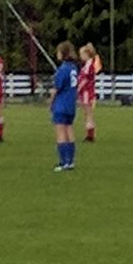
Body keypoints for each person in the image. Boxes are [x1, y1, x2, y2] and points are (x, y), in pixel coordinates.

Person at [49, 42, 80, 172]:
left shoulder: (63, 69)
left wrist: (51, 102)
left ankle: (63, 162)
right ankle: (71, 161)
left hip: (61, 104)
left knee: (61, 133)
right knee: (70, 131)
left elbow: (56, 89)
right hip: (71, 104)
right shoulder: (74, 68)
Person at [77, 44, 102, 142]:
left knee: (88, 113)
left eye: (81, 54)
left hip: (87, 91)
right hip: (87, 91)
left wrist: (78, 88)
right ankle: (90, 134)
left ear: (86, 54)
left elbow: (86, 79)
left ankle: (90, 136)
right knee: (88, 113)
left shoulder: (89, 65)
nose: (80, 56)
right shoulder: (88, 64)